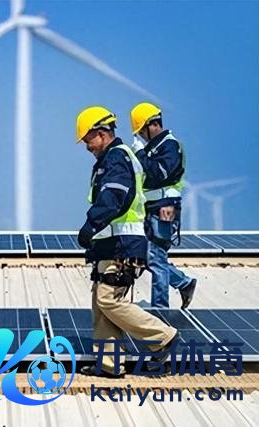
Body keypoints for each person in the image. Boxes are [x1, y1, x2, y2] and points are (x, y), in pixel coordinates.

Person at [75, 106, 179, 378]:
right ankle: (109, 364)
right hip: (110, 245)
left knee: (109, 300)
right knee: (101, 304)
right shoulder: (112, 158)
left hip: (123, 244)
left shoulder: (117, 158)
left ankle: (163, 337)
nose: (87, 147)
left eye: (88, 140)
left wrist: (90, 226)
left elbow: (113, 197)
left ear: (101, 133)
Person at [130, 102, 197, 309]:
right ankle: (184, 283)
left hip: (165, 207)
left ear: (152, 125)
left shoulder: (169, 145)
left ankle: (160, 310)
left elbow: (158, 174)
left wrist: (140, 155)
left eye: (142, 131)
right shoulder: (153, 148)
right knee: (149, 256)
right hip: (152, 207)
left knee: (156, 258)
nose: (141, 136)